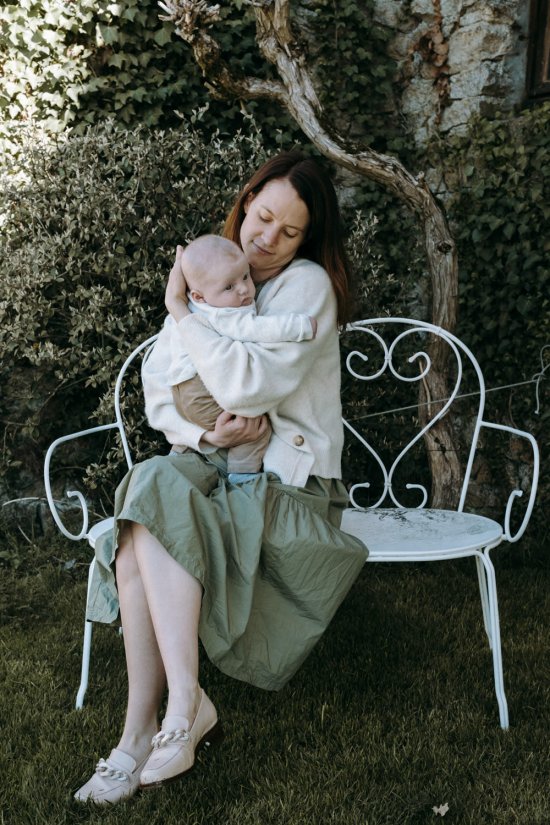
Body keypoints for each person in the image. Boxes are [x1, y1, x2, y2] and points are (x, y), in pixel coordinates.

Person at [75, 150, 368, 805]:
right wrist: (208, 433)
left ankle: (157, 724)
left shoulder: (303, 288)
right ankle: (161, 718)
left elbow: (246, 385)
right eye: (262, 217)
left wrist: (183, 311)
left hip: (290, 482)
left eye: (289, 231)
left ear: (308, 240)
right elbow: (160, 389)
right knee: (147, 491)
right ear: (247, 199)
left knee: (143, 519)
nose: (266, 239)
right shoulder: (221, 269)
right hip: (219, 459)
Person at [153, 233, 317, 483]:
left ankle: (181, 452)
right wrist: (301, 326)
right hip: (202, 390)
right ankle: (242, 478)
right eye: (229, 287)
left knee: (223, 421)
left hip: (182, 392)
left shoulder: (196, 307)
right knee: (254, 427)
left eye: (245, 276)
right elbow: (258, 328)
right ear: (198, 296)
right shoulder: (225, 314)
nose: (243, 289)